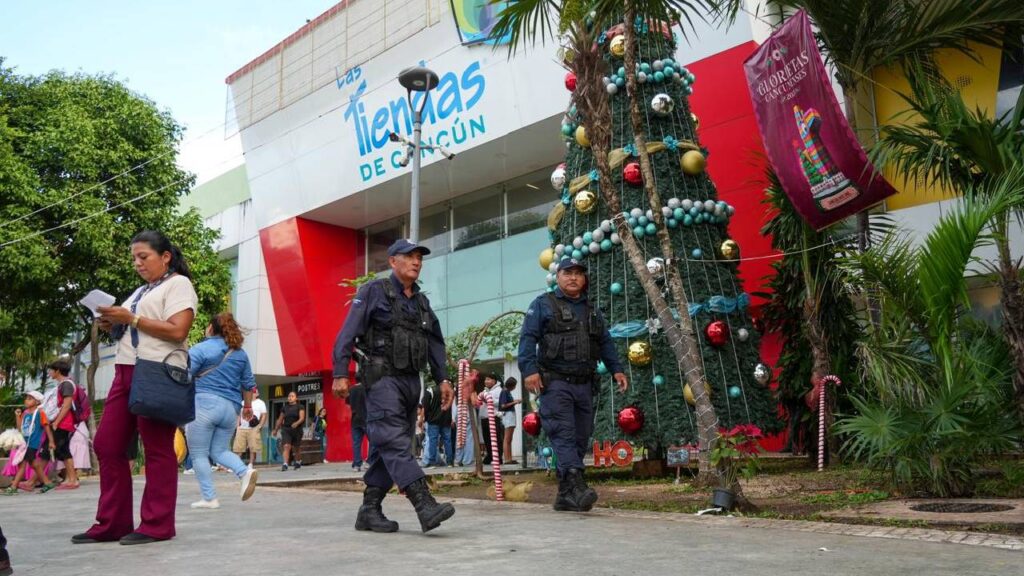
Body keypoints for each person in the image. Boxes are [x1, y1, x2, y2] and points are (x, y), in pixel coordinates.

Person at [73, 230, 197, 545]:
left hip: (157, 372)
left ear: (165, 256)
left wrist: (132, 319)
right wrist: (113, 323)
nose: (137, 263)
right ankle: (112, 522)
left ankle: (157, 524)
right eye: (134, 258)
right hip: (125, 372)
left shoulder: (178, 284)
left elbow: (178, 329)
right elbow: (131, 325)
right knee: (107, 444)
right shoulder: (141, 291)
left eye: (144, 257)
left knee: (156, 449)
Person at [332, 238, 455, 533]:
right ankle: (424, 505)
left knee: (389, 450)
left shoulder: (422, 302)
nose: (416, 262)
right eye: (409, 256)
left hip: (412, 382)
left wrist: (444, 378)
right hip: (381, 378)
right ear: (392, 261)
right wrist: (340, 372)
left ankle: (369, 510)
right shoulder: (374, 291)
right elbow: (347, 333)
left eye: (419, 258)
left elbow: (435, 344)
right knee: (394, 442)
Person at [518, 257, 628, 512]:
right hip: (555, 383)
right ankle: (577, 485)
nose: (573, 278)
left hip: (585, 383)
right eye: (568, 273)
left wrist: (617, 369)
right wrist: (529, 370)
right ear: (558, 277)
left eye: (578, 273)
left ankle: (565, 495)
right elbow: (528, 338)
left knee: (580, 437)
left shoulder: (591, 309)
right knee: (563, 433)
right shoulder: (543, 304)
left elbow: (605, 342)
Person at [185, 312, 259, 509]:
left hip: (204, 404)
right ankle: (244, 472)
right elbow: (248, 384)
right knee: (219, 451)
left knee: (199, 453)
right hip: (230, 409)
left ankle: (210, 498)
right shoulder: (241, 354)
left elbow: (185, 375)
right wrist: (248, 407)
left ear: (211, 327)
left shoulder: (200, 349)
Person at [3, 391, 55, 495]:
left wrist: (51, 441)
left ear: (37, 402)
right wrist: (18, 416)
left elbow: (46, 427)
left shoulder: (40, 413)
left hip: (32, 444)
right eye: (26, 398)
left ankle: (13, 487)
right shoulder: (25, 413)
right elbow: (20, 428)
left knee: (22, 465)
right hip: (25, 443)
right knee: (34, 464)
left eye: (30, 398)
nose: (26, 400)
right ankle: (47, 482)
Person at [42, 359, 81, 490]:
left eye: (51, 370)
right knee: (62, 450)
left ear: (58, 371)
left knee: (63, 450)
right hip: (62, 422)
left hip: (64, 423)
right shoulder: (62, 385)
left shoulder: (66, 385)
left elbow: (67, 405)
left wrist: (56, 422)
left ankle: (73, 480)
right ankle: (70, 479)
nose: (49, 372)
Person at [419, 383, 453, 468]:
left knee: (432, 441)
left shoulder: (430, 390)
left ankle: (432, 462)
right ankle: (450, 462)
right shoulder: (449, 390)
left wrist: (426, 419)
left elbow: (425, 406)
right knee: (447, 440)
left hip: (433, 420)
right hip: (446, 419)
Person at [234, 387, 267, 467]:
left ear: (257, 394)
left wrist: (260, 426)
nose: (253, 393)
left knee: (253, 447)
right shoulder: (243, 402)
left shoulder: (261, 403)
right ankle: (237, 464)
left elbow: (264, 415)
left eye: (255, 392)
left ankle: (251, 463)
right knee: (239, 447)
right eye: (252, 391)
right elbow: (238, 414)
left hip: (253, 427)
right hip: (242, 427)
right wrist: (237, 425)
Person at [273, 392, 305, 471]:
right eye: (289, 396)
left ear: (296, 398)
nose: (290, 397)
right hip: (286, 429)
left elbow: (302, 418)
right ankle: (285, 464)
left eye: (292, 396)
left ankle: (297, 461)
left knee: (296, 448)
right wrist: (276, 429)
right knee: (286, 446)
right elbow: (280, 419)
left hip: (297, 429)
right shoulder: (284, 408)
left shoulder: (300, 406)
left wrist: (296, 423)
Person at [477, 373, 504, 465]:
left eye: (488, 379)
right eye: (485, 379)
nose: (486, 381)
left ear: (494, 381)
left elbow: (500, 402)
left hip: (493, 417)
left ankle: (498, 457)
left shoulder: (499, 390)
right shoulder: (485, 391)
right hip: (484, 417)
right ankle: (490, 456)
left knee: (495, 439)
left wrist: (488, 400)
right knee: (487, 439)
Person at [500, 377, 521, 465]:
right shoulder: (504, 392)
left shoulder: (508, 392)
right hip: (508, 415)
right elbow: (503, 405)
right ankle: (507, 459)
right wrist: (515, 402)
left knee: (509, 438)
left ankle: (510, 458)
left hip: (511, 414)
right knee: (507, 438)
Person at [347, 380, 367, 472]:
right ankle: (370, 462)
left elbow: (348, 404)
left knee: (356, 443)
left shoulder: (351, 390)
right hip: (366, 418)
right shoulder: (366, 388)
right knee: (374, 441)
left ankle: (357, 464)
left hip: (355, 419)